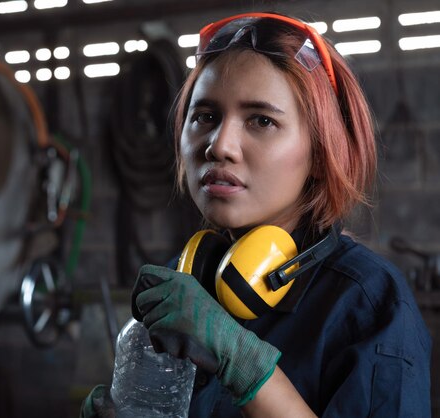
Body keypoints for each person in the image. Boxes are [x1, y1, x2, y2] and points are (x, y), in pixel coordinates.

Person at [80, 11, 432, 418]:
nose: (219, 145)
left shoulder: (368, 302)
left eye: (261, 120)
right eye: (205, 117)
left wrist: (247, 368)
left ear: (320, 153)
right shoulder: (184, 283)